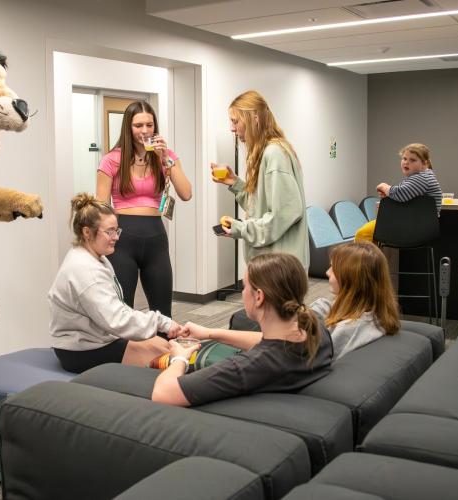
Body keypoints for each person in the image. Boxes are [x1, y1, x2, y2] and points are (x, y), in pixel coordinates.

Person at [151, 253, 333, 407]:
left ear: (259, 297)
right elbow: (268, 340)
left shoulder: (248, 366)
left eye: (245, 286)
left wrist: (179, 358)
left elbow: (163, 393)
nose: (243, 292)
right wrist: (210, 333)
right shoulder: (317, 328)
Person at [49, 193, 183, 373]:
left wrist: (157, 326)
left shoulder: (96, 258)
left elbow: (117, 309)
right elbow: (118, 320)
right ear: (87, 232)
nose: (116, 237)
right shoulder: (86, 270)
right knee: (168, 360)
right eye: (109, 231)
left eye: (116, 230)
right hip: (80, 351)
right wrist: (162, 322)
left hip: (97, 339)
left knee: (161, 344)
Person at [96, 101, 192, 320]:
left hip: (156, 238)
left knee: (163, 313)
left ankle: (164, 353)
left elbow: (186, 193)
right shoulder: (112, 159)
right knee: (123, 310)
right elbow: (101, 206)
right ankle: (127, 354)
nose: (145, 131)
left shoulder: (165, 156)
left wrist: (165, 158)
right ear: (128, 127)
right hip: (123, 239)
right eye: (138, 125)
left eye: (149, 124)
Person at [211, 90, 308, 268]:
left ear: (254, 118)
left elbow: (285, 214)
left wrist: (241, 228)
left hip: (278, 267)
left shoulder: (274, 153)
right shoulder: (265, 152)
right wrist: (236, 183)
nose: (232, 129)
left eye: (235, 121)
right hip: (271, 264)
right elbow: (260, 208)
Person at [310, 242, 400, 359]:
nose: (327, 272)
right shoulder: (376, 313)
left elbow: (318, 361)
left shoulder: (348, 330)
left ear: (351, 278)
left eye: (333, 268)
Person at [355, 143, 442, 242]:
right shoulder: (425, 177)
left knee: (363, 234)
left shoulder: (421, 178)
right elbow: (405, 197)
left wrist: (384, 186)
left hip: (411, 227)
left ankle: (372, 258)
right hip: (420, 226)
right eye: (404, 159)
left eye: (412, 160)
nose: (406, 162)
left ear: (424, 164)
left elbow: (400, 194)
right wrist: (389, 195)